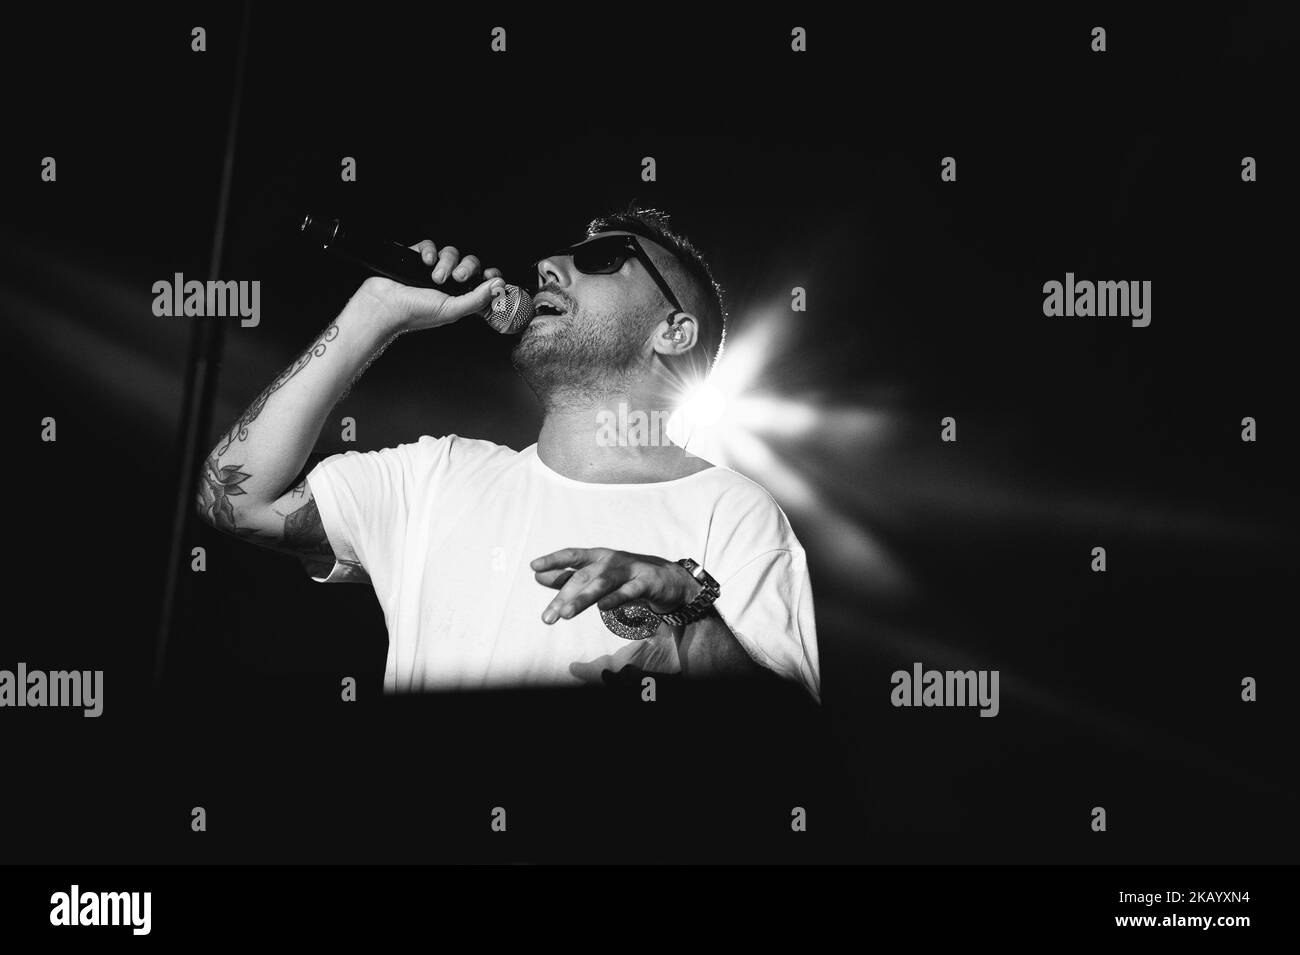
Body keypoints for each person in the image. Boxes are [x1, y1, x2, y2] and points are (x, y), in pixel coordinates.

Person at [195, 206, 820, 700]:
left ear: (674, 330)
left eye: (603, 259)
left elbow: (792, 757)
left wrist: (689, 612)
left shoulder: (735, 512)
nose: (548, 264)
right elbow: (236, 500)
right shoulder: (437, 474)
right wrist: (375, 313)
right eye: (560, 256)